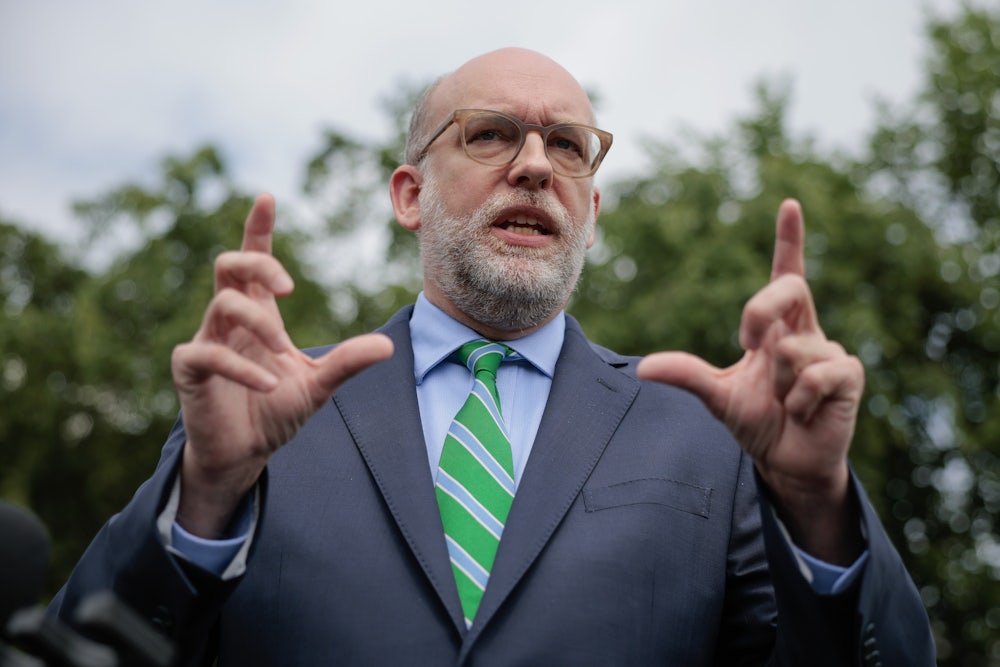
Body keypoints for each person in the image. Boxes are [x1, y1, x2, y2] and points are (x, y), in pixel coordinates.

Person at [51, 47, 934, 666]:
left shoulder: (710, 435)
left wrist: (818, 507)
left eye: (568, 147)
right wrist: (206, 496)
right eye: (489, 134)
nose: (536, 167)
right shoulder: (261, 413)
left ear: (591, 212)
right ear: (409, 194)